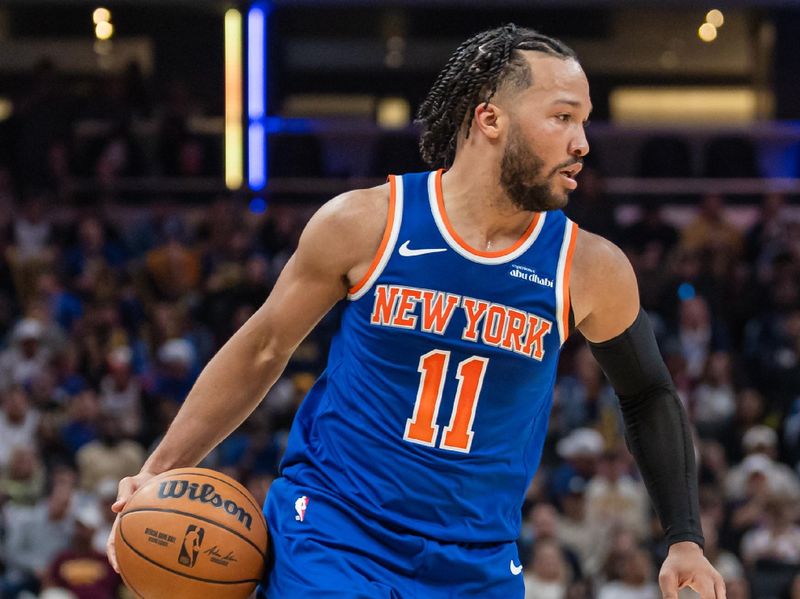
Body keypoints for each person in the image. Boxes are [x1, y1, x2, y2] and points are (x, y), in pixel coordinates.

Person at [107, 24, 724, 598]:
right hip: (334, 535)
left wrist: (685, 538)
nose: (582, 142)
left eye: (584, 120)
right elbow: (265, 346)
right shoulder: (368, 221)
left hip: (477, 562)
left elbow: (648, 394)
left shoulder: (589, 266)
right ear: (489, 118)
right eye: (562, 117)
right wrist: (158, 469)